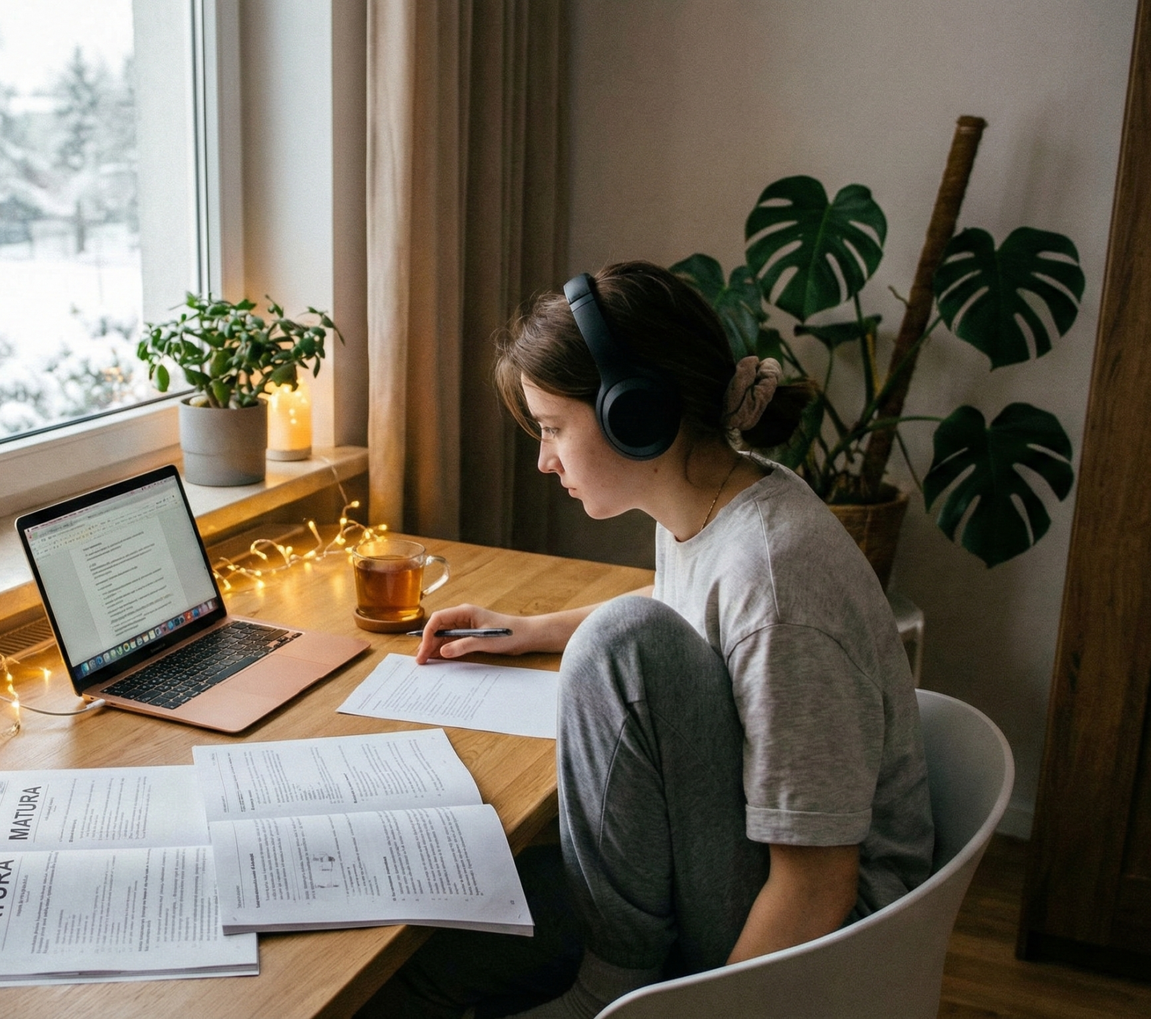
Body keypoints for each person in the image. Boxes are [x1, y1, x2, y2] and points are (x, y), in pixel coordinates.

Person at [357, 262, 933, 1019]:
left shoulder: (778, 585)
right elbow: (688, 604)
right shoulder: (715, 502)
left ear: (636, 412)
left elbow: (816, 885)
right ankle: (609, 965)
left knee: (619, 640)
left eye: (554, 428)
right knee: (428, 949)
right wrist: (533, 629)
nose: (544, 459)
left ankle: (613, 979)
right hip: (744, 864)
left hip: (822, 945)